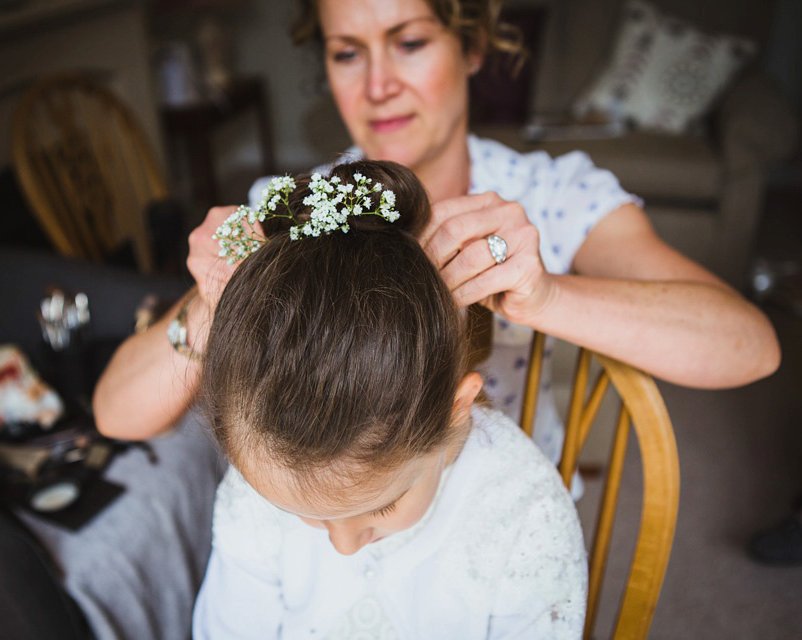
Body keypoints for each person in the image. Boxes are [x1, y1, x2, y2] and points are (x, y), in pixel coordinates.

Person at [93, 0, 780, 461]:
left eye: (410, 42)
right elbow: (116, 413)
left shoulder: (558, 194)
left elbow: (749, 346)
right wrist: (214, 304)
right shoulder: (292, 209)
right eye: (347, 53)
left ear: (473, 48)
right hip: (331, 516)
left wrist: (546, 296)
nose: (379, 84)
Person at [192, 160, 587, 638]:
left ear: (456, 409)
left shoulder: (525, 516)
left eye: (381, 508)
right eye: (305, 514)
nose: (343, 547)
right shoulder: (253, 488)